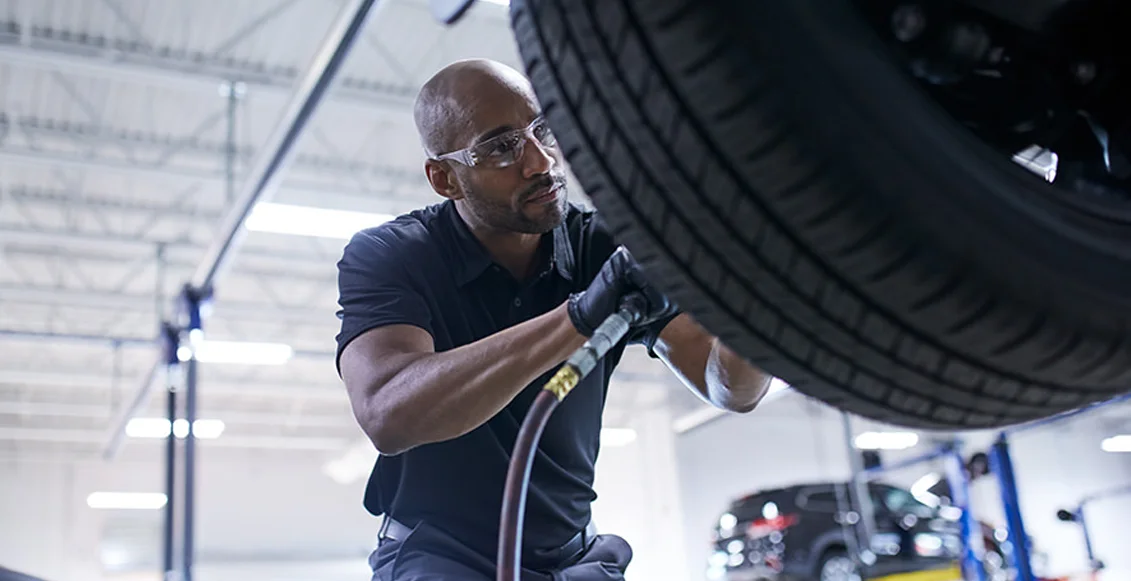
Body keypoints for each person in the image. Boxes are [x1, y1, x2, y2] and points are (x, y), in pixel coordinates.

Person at [335, 58, 774, 581]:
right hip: (440, 559)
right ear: (445, 178)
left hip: (572, 556)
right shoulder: (392, 255)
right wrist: (580, 316)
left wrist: (759, 298)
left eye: (542, 130)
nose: (541, 162)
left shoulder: (600, 247)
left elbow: (730, 388)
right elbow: (389, 415)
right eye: (501, 147)